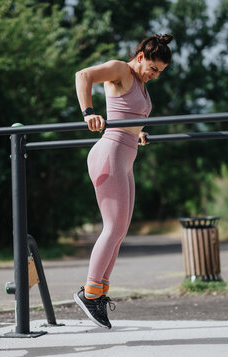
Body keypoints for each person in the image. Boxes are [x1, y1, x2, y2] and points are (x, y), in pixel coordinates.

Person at [73, 34, 173, 329]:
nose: (154, 76)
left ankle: (100, 291)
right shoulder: (121, 69)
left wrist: (137, 132)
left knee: (120, 231)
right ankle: (89, 293)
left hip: (126, 155)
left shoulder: (141, 84)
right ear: (140, 56)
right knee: (113, 227)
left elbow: (129, 116)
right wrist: (88, 113)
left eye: (159, 73)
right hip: (109, 153)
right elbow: (83, 75)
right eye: (153, 68)